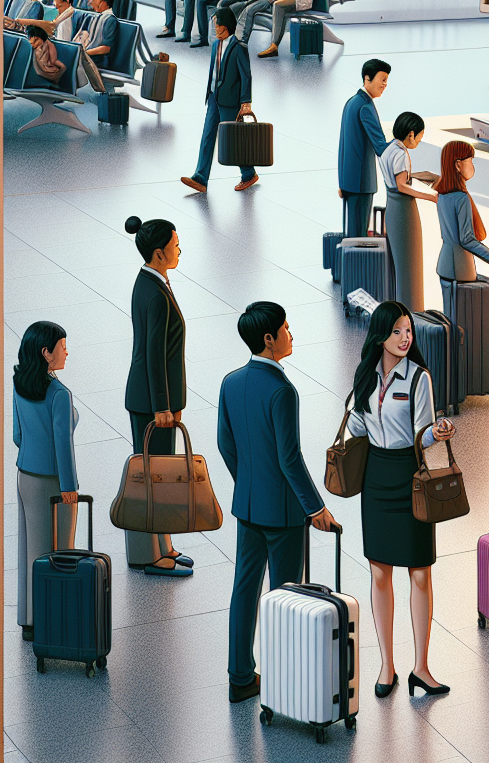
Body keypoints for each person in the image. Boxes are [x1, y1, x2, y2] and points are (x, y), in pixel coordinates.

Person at [216, 301, 338, 703]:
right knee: (286, 596)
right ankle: (285, 681)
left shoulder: (231, 382)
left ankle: (239, 676)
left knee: (244, 591)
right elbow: (290, 458)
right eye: (285, 328)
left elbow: (225, 443)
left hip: (248, 507)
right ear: (269, 339)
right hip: (283, 514)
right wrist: (315, 508)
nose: (291, 333)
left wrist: (249, 483)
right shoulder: (283, 390)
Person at [346, 301, 455, 699]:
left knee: (420, 572)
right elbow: (358, 425)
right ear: (381, 336)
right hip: (375, 478)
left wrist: (437, 433)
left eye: (408, 331)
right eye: (397, 331)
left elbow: (421, 433)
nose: (406, 338)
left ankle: (422, 667)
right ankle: (387, 665)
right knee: (379, 574)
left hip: (408, 475)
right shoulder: (365, 377)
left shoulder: (418, 379)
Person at [122, 216, 193, 577]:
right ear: (158, 253)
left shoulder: (150, 282)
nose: (179, 249)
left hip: (149, 397)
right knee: (155, 477)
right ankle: (152, 555)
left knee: (159, 474)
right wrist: (162, 406)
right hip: (153, 403)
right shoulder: (156, 295)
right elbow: (154, 355)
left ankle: (163, 544)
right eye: (175, 245)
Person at [12, 320, 78, 643]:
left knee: (30, 549)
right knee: (60, 551)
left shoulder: (19, 384)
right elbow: (63, 444)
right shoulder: (60, 395)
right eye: (62, 346)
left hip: (25, 475)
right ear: (46, 353)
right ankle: (54, 618)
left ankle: (29, 618)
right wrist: (69, 486)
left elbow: (17, 435)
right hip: (53, 481)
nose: (66, 351)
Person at [434, 140, 489, 319]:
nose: (473, 166)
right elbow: (467, 240)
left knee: (450, 319)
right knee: (463, 322)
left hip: (445, 264)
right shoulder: (461, 198)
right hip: (461, 267)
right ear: (458, 164)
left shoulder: (442, 193)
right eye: (470, 160)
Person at [180, 7, 256, 193]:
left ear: (227, 26)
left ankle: (248, 174)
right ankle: (201, 177)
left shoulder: (239, 48)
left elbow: (246, 76)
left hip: (230, 100)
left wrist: (246, 102)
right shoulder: (215, 45)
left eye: (218, 26)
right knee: (207, 136)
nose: (215, 29)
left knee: (232, 141)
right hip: (214, 97)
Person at [378, 112, 436, 310]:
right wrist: (430, 196)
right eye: (419, 135)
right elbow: (401, 185)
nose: (420, 140)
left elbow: (395, 181)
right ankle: (413, 314)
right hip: (404, 211)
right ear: (411, 134)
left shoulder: (389, 149)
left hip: (392, 208)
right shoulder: (401, 154)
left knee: (400, 267)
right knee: (411, 266)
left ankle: (402, 311)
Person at [338, 59, 391, 237]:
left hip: (348, 181)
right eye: (382, 79)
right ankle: (353, 266)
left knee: (351, 233)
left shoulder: (351, 102)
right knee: (358, 237)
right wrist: (402, 143)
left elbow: (343, 146)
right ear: (367, 78)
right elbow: (381, 147)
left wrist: (342, 182)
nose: (385, 85)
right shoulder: (365, 107)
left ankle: (349, 265)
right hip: (361, 184)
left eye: (386, 80)